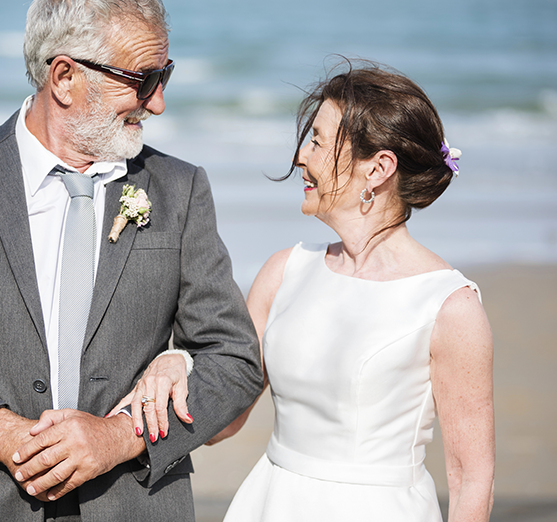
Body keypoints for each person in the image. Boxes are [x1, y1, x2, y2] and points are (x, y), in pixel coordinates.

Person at [0, 0, 263, 521]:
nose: (158, 102)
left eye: (164, 75)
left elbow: (235, 360)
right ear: (65, 77)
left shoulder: (179, 188)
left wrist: (119, 437)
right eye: (142, 79)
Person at [120, 61, 495, 522]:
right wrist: (177, 359)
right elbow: (224, 418)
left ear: (378, 169)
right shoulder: (283, 272)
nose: (301, 155)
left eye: (317, 138)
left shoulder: (451, 306)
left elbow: (470, 479)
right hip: (271, 504)